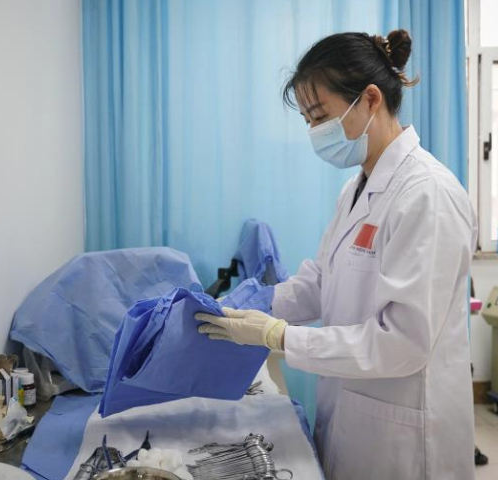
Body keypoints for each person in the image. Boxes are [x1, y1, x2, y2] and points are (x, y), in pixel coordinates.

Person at [196, 30, 477, 479]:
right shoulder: (356, 189)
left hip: (404, 435)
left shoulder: (428, 195)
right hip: (354, 411)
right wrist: (252, 305)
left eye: (320, 115)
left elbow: (403, 342)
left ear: (369, 100)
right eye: (307, 119)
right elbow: (323, 281)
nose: (314, 132)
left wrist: (280, 337)